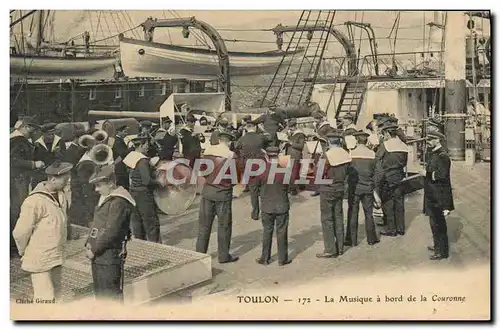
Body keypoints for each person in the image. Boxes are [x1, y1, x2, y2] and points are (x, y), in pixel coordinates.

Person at [13, 161, 73, 302]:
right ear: (52, 179)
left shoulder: (61, 194)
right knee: (45, 297)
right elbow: (20, 232)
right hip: (41, 257)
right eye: (65, 180)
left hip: (56, 254)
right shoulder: (34, 201)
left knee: (57, 294)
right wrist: (23, 251)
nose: (68, 182)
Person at [85, 165, 135, 302]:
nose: (96, 189)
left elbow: (111, 232)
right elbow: (97, 224)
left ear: (111, 184)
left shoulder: (118, 202)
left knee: (109, 295)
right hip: (100, 255)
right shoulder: (108, 197)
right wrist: (89, 242)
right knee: (101, 294)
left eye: (99, 186)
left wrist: (94, 249)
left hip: (108, 255)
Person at [196, 132, 239, 264]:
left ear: (219, 140)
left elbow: (201, 171)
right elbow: (235, 178)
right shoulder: (231, 155)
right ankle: (223, 256)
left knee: (204, 225)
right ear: (229, 141)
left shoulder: (208, 151)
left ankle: (199, 255)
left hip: (208, 192)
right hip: (223, 194)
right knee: (224, 226)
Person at [10, 117, 43, 256]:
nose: (33, 133)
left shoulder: (13, 138)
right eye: (33, 129)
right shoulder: (17, 140)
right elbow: (12, 160)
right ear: (27, 127)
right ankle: (14, 247)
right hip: (17, 180)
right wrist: (33, 164)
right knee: (17, 211)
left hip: (16, 179)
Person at [317, 130, 351, 258]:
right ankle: (340, 247)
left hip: (327, 189)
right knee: (338, 216)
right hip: (340, 188)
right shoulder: (346, 154)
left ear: (329, 142)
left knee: (327, 219)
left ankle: (330, 249)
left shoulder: (326, 155)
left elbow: (319, 174)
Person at [420, 131, 454, 260]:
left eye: (431, 139)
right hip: (432, 194)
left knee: (439, 224)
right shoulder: (433, 153)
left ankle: (442, 252)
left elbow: (441, 175)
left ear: (438, 140)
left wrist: (426, 174)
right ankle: (437, 246)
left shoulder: (443, 156)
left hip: (439, 195)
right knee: (433, 223)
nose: (428, 141)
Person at [255, 146, 292, 266]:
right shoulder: (285, 170)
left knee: (267, 231)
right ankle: (282, 259)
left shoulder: (261, 171)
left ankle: (265, 258)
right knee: (282, 231)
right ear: (278, 156)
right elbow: (291, 187)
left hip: (267, 206)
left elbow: (256, 187)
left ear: (267, 156)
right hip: (282, 205)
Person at [123, 136, 161, 243]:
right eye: (146, 145)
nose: (148, 148)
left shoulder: (131, 156)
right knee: (151, 223)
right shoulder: (142, 160)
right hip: (143, 194)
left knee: (137, 223)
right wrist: (159, 183)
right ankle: (156, 247)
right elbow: (147, 180)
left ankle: (141, 246)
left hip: (133, 192)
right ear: (140, 145)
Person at [374, 122, 409, 237]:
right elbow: (404, 162)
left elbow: (377, 159)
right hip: (399, 176)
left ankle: (391, 229)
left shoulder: (386, 145)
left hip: (387, 177)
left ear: (388, 133)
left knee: (388, 203)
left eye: (384, 133)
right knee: (399, 202)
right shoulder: (403, 146)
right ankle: (401, 228)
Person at [346, 131, 379, 246]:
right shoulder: (372, 154)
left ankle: (351, 240)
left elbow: (348, 173)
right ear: (366, 141)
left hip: (354, 188)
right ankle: (371, 238)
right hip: (368, 187)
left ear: (356, 140)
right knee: (368, 213)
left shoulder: (351, 154)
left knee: (353, 212)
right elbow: (376, 172)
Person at [234, 120, 268, 220]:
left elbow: (236, 147)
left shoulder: (243, 139)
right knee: (263, 190)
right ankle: (266, 211)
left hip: (249, 166)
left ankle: (255, 213)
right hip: (261, 166)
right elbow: (269, 138)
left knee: (253, 191)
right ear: (255, 127)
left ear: (246, 128)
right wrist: (263, 130)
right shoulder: (261, 137)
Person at [285, 118, 305, 195]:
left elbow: (301, 146)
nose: (291, 129)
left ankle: (293, 189)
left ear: (295, 126)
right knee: (293, 172)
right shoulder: (290, 134)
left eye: (292, 127)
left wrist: (291, 143)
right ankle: (298, 185)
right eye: (290, 127)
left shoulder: (300, 134)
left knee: (293, 172)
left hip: (295, 155)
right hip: (289, 154)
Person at [112, 124, 131, 190]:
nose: (126, 134)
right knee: (123, 186)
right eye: (124, 132)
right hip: (120, 167)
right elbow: (122, 153)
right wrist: (131, 149)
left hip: (121, 166)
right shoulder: (117, 141)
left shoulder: (119, 140)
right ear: (119, 132)